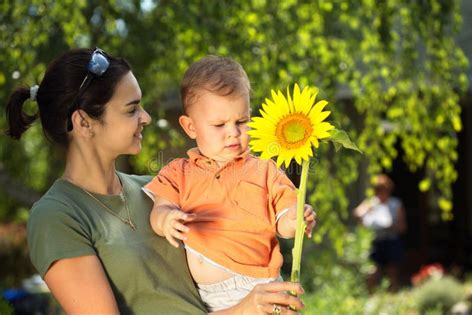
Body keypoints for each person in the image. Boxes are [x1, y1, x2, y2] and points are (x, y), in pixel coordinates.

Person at [5, 48, 306, 314]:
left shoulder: (159, 188)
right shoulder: (57, 216)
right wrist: (243, 311)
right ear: (84, 122)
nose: (146, 117)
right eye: (132, 109)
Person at [144, 56, 316, 312]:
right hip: (212, 298)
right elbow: (160, 209)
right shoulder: (178, 172)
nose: (233, 132)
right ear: (190, 126)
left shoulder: (264, 170)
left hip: (262, 284)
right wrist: (167, 219)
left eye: (242, 121)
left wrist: (296, 218)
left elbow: (284, 222)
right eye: (219, 124)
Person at [353, 174, 407, 292]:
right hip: (376, 241)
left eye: (383, 190)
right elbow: (357, 213)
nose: (381, 193)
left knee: (392, 272)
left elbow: (402, 227)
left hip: (391, 241)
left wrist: (391, 226)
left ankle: (393, 298)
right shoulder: (372, 203)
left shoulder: (395, 204)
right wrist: (368, 210)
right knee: (372, 271)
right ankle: (372, 298)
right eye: (378, 190)